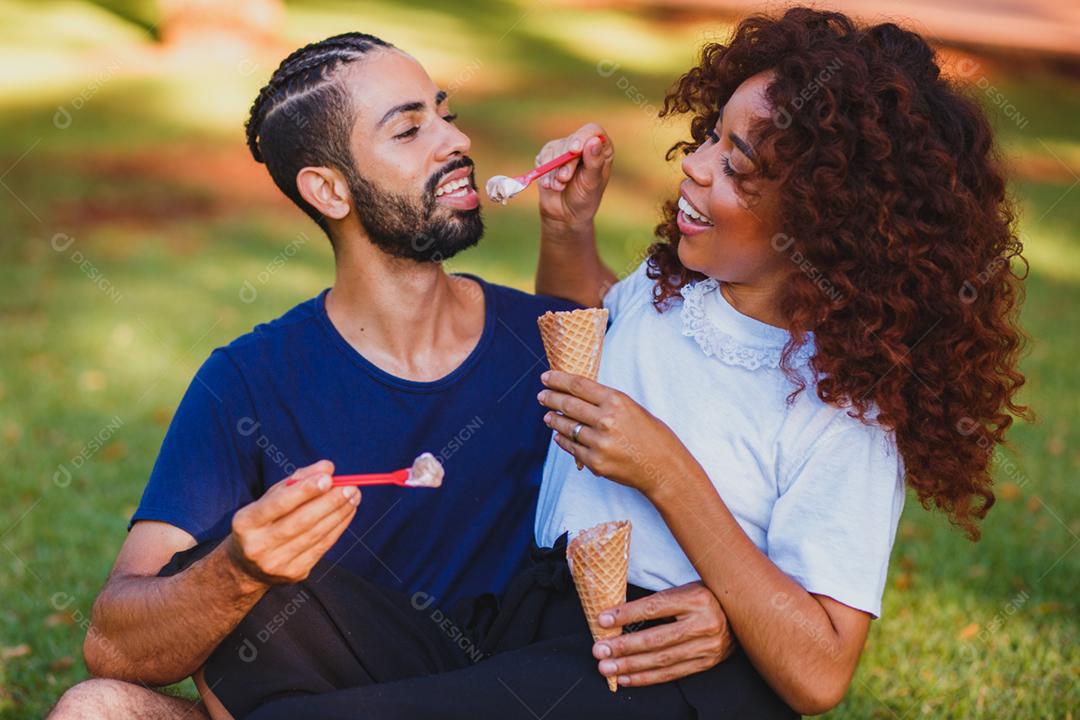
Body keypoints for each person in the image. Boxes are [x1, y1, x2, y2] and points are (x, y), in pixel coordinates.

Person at [191, 7, 1026, 718]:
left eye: (735, 165)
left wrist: (667, 472)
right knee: (250, 614)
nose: (694, 165)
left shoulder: (841, 403)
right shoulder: (667, 293)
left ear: (822, 222)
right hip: (535, 615)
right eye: (709, 137)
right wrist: (567, 231)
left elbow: (818, 672)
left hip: (660, 670)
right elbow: (574, 340)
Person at [48, 33, 731, 720]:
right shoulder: (246, 382)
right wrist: (239, 570)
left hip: (538, 686)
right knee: (98, 707)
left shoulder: (550, 343)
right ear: (329, 190)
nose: (453, 140)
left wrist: (723, 609)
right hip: (358, 687)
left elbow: (714, 477)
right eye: (409, 129)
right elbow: (117, 646)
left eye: (444, 113)